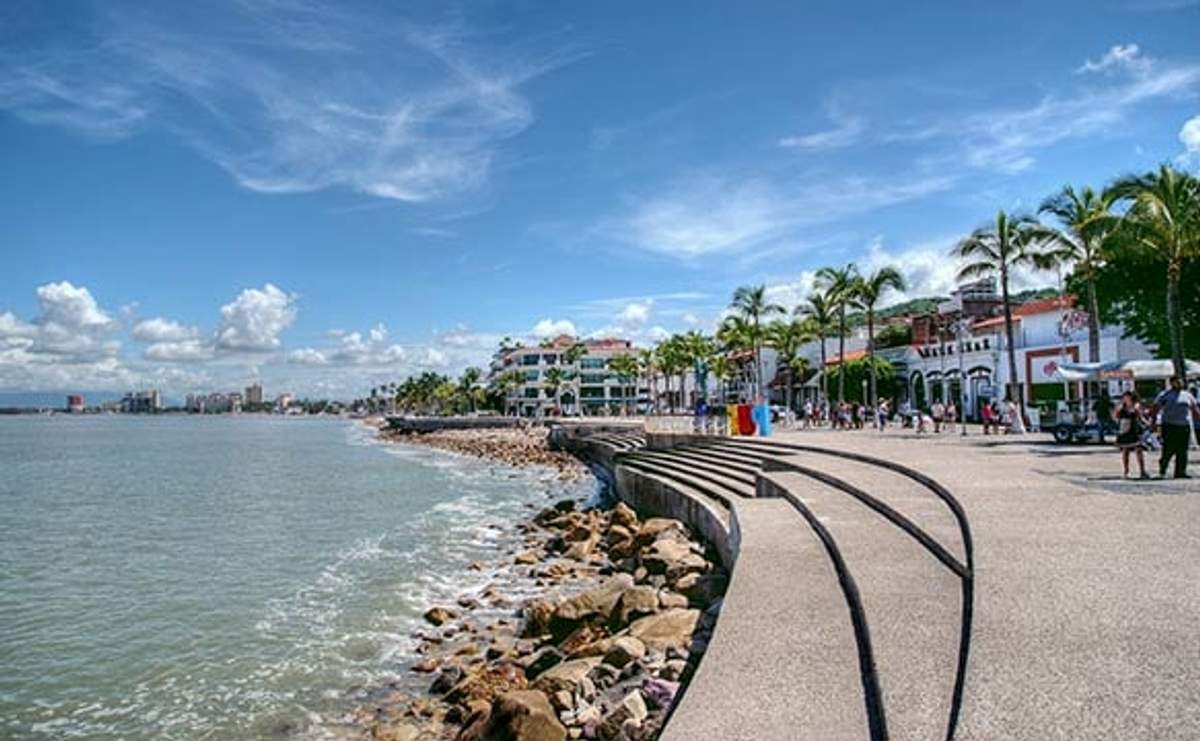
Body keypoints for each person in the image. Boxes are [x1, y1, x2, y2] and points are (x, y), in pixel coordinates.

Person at [1151, 376, 1200, 479]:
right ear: (1172, 383)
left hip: (1184, 426)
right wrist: (1154, 423)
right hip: (1169, 426)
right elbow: (1155, 408)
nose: (1179, 383)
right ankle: (1162, 471)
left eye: (1180, 382)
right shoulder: (1164, 395)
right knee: (1168, 449)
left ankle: (1180, 472)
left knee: (1182, 450)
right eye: (1177, 382)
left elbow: (1194, 409)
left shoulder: (1187, 395)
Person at [1112, 392, 1150, 480]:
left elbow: (1140, 417)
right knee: (1125, 451)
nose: (1126, 399)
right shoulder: (1121, 407)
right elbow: (1115, 417)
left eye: (1127, 397)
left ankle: (1142, 471)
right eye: (1124, 397)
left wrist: (1147, 424)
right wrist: (1117, 410)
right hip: (1125, 430)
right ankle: (1126, 471)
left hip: (1134, 430)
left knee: (1139, 450)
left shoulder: (1136, 406)